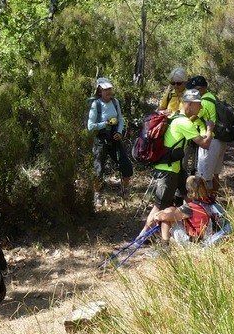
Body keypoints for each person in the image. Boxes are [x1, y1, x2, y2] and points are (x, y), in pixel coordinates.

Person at [148, 90, 213, 213]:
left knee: (188, 196)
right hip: (168, 169)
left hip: (176, 167)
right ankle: (143, 232)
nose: (201, 107)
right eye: (198, 104)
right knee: (160, 208)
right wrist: (209, 129)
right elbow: (205, 144)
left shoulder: (175, 116)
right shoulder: (184, 122)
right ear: (189, 104)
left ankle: (198, 222)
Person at [87, 78, 133, 207]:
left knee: (125, 164)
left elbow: (120, 119)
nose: (108, 92)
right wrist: (105, 123)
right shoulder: (96, 105)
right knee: (98, 168)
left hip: (114, 137)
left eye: (109, 89)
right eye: (105, 89)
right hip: (100, 140)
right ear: (100, 90)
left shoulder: (115, 102)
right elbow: (90, 126)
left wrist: (119, 132)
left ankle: (125, 191)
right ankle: (97, 196)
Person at [141, 175, 218, 244]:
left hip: (193, 242)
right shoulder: (211, 202)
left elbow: (164, 217)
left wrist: (157, 215)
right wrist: (169, 210)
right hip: (208, 237)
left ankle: (165, 245)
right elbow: (176, 211)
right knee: (170, 210)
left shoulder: (190, 208)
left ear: (189, 190)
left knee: (166, 219)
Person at [185, 76, 226, 193]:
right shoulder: (212, 97)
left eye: (193, 90)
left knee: (204, 178)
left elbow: (191, 118)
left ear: (201, 89)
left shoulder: (203, 102)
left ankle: (205, 206)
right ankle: (213, 202)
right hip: (220, 140)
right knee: (215, 175)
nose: (191, 93)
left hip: (209, 142)